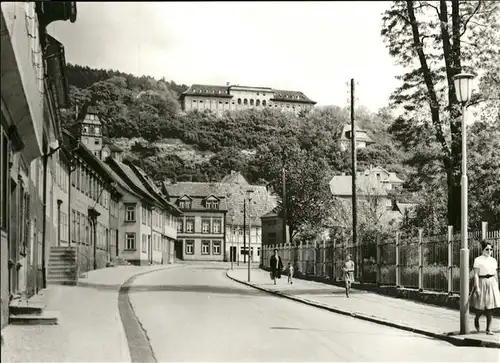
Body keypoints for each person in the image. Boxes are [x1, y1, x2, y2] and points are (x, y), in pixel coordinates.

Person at [472, 240, 500, 335]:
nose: (489, 251)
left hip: (492, 282)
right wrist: (477, 287)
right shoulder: (478, 260)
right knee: (481, 306)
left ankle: (488, 329)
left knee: (490, 307)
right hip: (482, 282)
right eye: (487, 249)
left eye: (491, 249)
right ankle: (476, 318)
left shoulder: (493, 260)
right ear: (482, 249)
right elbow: (476, 274)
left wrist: (496, 286)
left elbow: (495, 274)